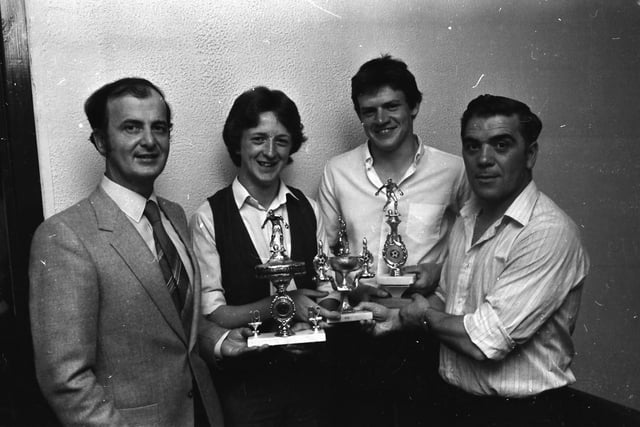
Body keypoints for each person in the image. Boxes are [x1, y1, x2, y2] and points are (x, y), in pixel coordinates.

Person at [29, 78, 252, 427]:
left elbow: (176, 327)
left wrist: (220, 341)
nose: (149, 141)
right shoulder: (65, 236)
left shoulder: (174, 215)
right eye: (131, 127)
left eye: (159, 128)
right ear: (101, 141)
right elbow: (66, 380)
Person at [358, 94, 590, 426]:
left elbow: (485, 341)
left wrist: (420, 317)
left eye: (501, 145)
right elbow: (447, 303)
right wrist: (394, 316)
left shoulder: (547, 233)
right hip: (457, 405)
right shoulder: (466, 219)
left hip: (524, 415)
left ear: (530, 154)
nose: (484, 159)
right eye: (472, 146)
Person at [317, 55, 470, 426]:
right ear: (360, 115)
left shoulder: (453, 171)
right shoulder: (337, 171)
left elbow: (475, 248)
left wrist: (439, 270)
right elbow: (326, 255)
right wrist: (330, 302)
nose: (381, 119)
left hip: (426, 334)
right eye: (369, 111)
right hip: (358, 335)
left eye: (392, 106)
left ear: (414, 106)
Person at [190, 86, 340, 426]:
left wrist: (311, 325)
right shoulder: (208, 217)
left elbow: (328, 291)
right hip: (247, 391)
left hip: (310, 384)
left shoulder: (310, 210)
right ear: (238, 144)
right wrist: (282, 305)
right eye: (258, 139)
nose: (270, 152)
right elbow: (213, 314)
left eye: (281, 141)